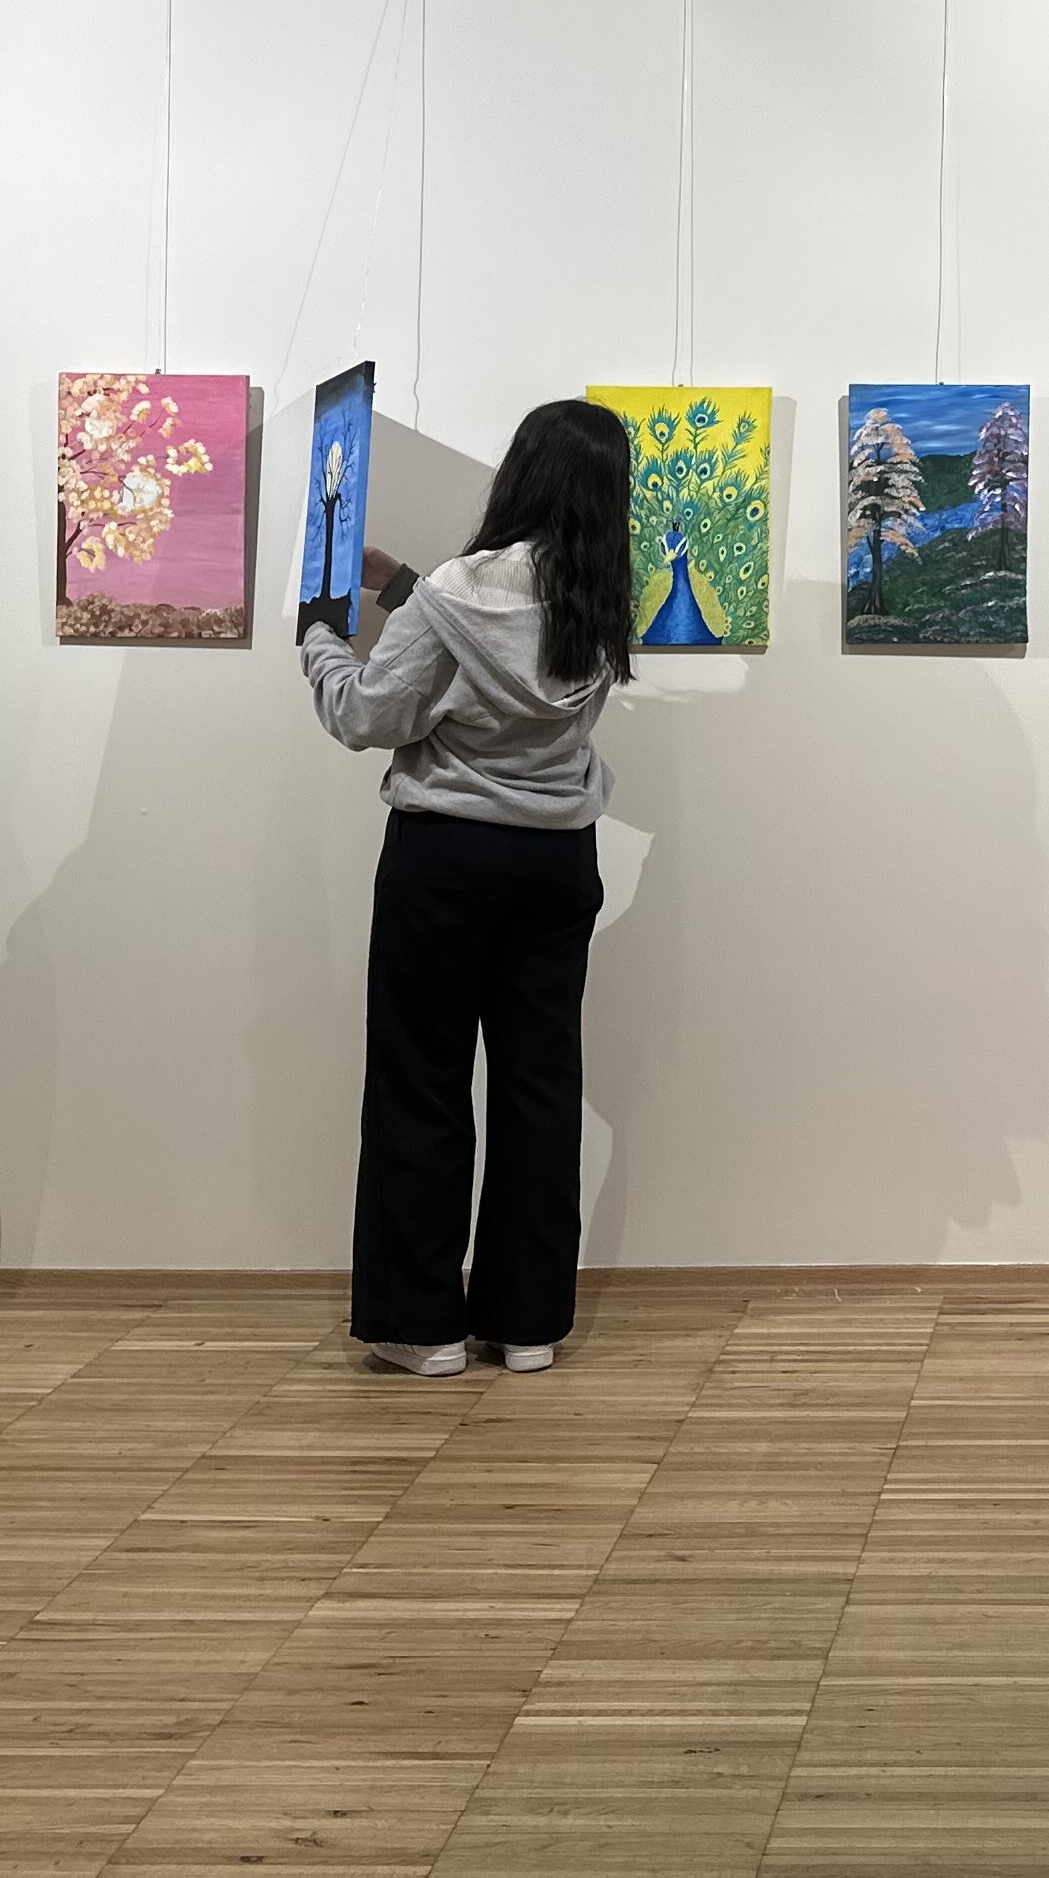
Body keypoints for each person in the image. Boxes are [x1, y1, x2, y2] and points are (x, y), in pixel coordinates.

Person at [301, 398, 631, 1378]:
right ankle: (527, 1325)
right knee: (540, 1086)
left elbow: (367, 714)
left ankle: (421, 1326)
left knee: (423, 1082)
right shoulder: (600, 599)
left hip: (447, 859)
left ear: (520, 473)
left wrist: (320, 638)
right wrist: (401, 583)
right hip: (557, 862)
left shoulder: (459, 590)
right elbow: (496, 645)